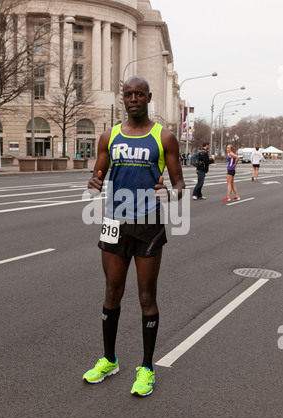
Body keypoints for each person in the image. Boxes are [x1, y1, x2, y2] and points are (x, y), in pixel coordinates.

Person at [83, 75, 185, 397]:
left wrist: (171, 194)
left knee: (146, 297)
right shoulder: (108, 136)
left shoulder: (164, 137)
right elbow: (98, 172)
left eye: (140, 94)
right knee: (112, 291)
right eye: (129, 94)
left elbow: (179, 184)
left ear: (149, 97)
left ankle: (146, 367)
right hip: (115, 221)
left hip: (148, 224)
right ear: (123, 98)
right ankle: (109, 359)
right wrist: (94, 182)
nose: (134, 99)